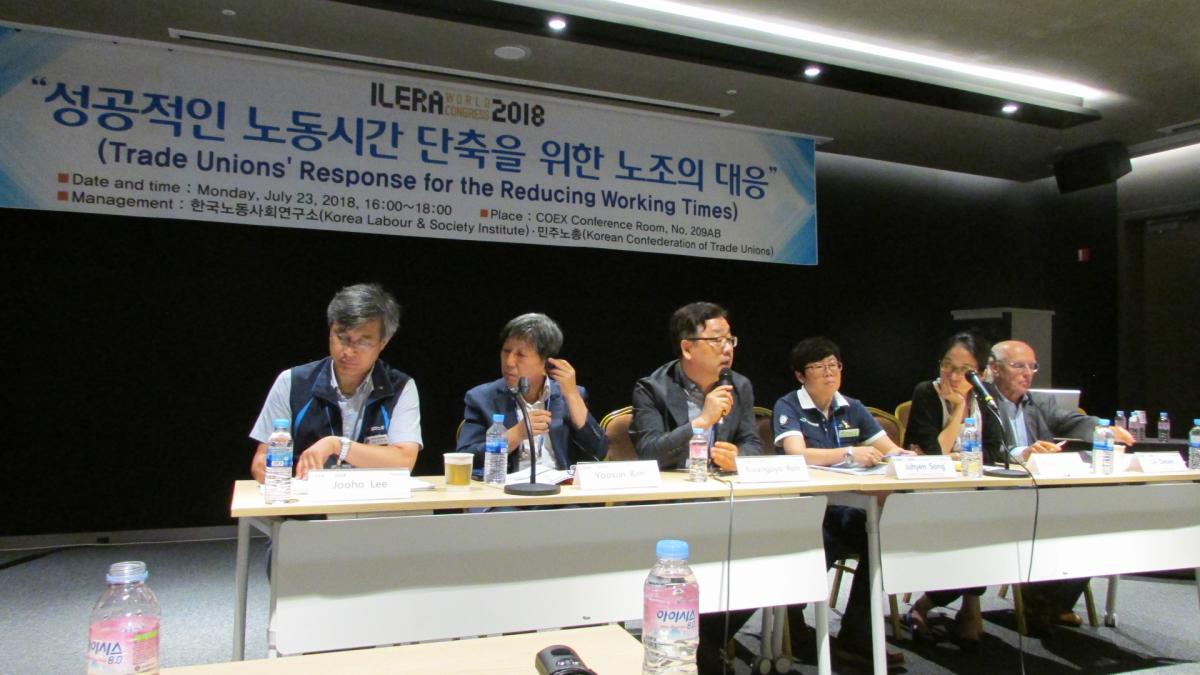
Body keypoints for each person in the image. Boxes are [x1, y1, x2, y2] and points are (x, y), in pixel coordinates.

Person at [629, 301, 762, 673]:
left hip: (723, 501)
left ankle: (707, 639)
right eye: (717, 340)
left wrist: (739, 459)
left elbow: (752, 442)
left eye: (730, 339)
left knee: (767, 554)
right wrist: (701, 422)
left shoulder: (739, 385)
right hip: (672, 506)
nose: (727, 348)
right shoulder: (652, 388)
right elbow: (649, 452)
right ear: (687, 347)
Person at [772, 336, 907, 667]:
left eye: (834, 365)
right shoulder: (788, 405)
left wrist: (914, 460)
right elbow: (797, 454)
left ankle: (857, 635)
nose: (829, 373)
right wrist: (849, 453)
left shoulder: (852, 407)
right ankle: (793, 623)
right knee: (818, 543)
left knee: (882, 538)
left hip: (849, 508)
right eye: (819, 367)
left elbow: (891, 450)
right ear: (801, 375)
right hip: (805, 509)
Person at [987, 339, 1134, 633]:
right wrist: (1024, 453)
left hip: (1045, 489)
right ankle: (1043, 602)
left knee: (1093, 519)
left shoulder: (1038, 402)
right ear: (995, 369)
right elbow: (985, 449)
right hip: (999, 489)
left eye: (1032, 367)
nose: (1027, 373)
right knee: (1059, 522)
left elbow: (1073, 421)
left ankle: (1052, 602)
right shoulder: (981, 402)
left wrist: (1103, 428)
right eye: (1018, 366)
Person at [249, 283, 421, 481]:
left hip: (372, 498)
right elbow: (262, 458)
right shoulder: (291, 382)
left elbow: (404, 460)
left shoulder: (400, 387)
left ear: (383, 342)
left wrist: (338, 445)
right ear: (330, 332)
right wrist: (266, 467)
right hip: (306, 496)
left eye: (363, 341)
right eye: (342, 337)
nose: (349, 351)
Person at [903, 331, 1001, 646]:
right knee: (974, 528)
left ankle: (956, 603)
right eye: (948, 366)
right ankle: (959, 605)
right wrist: (958, 410)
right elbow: (935, 455)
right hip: (928, 493)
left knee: (992, 524)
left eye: (964, 370)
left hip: (973, 492)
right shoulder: (927, 392)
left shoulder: (985, 396)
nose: (954, 376)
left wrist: (959, 457)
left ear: (980, 373)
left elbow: (994, 452)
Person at [457, 313, 607, 473]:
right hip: (507, 485)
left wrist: (572, 396)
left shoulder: (570, 394)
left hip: (560, 486)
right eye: (506, 351)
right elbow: (465, 457)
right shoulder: (482, 398)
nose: (509, 362)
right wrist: (515, 435)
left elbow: (599, 451)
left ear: (546, 363)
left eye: (520, 355)